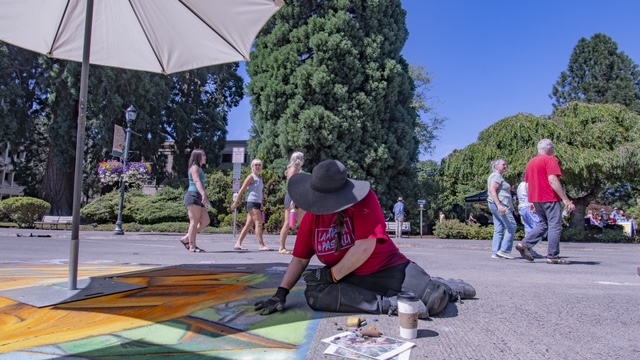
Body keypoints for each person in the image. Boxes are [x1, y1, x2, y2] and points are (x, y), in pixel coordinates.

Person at [253, 160, 475, 317]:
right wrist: (281, 293)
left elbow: (364, 247)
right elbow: (300, 260)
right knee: (314, 294)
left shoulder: (364, 200)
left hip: (387, 269)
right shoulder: (313, 218)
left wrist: (330, 275)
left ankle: (446, 287)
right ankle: (388, 304)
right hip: (350, 278)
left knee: (434, 299)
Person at [516, 139, 575, 264]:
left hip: (536, 198)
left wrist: (531, 200)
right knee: (555, 225)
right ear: (549, 148)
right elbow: (552, 179)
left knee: (543, 224)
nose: (554, 150)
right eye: (553, 148)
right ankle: (553, 256)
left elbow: (528, 184)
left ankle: (524, 244)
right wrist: (566, 199)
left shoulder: (531, 162)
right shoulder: (550, 160)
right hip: (549, 197)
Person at [231, 159, 272, 251]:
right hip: (251, 202)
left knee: (248, 224)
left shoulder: (260, 178)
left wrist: (261, 203)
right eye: (255, 165)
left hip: (257, 203)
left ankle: (238, 243)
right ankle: (261, 245)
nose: (257, 167)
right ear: (252, 167)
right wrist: (236, 201)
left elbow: (259, 192)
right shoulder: (251, 177)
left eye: (259, 165)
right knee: (259, 222)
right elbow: (242, 189)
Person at [180, 149, 210, 253]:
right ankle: (192, 246)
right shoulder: (194, 168)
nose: (205, 157)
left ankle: (187, 238)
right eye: (204, 155)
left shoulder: (200, 168)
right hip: (193, 195)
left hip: (198, 196)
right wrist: (203, 194)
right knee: (194, 222)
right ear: (198, 157)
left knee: (206, 220)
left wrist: (203, 195)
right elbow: (197, 181)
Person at [487, 159, 516, 259]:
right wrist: (499, 205)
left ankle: (496, 252)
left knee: (499, 228)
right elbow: (492, 190)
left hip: (494, 204)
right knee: (512, 226)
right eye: (503, 164)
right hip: (500, 205)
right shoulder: (497, 176)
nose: (505, 166)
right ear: (496, 166)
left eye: (506, 164)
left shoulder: (495, 176)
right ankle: (504, 250)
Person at [278, 152, 306, 255]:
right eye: (302, 158)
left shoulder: (297, 170)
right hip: (292, 197)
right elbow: (292, 186)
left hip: (297, 197)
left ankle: (304, 247)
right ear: (298, 159)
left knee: (304, 223)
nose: (304, 160)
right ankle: (281, 247)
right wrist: (293, 201)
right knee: (287, 223)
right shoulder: (293, 169)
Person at [516, 178, 544, 258]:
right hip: (528, 206)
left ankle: (528, 249)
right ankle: (527, 246)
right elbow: (530, 193)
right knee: (538, 226)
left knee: (528, 228)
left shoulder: (520, 185)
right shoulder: (527, 184)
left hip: (522, 207)